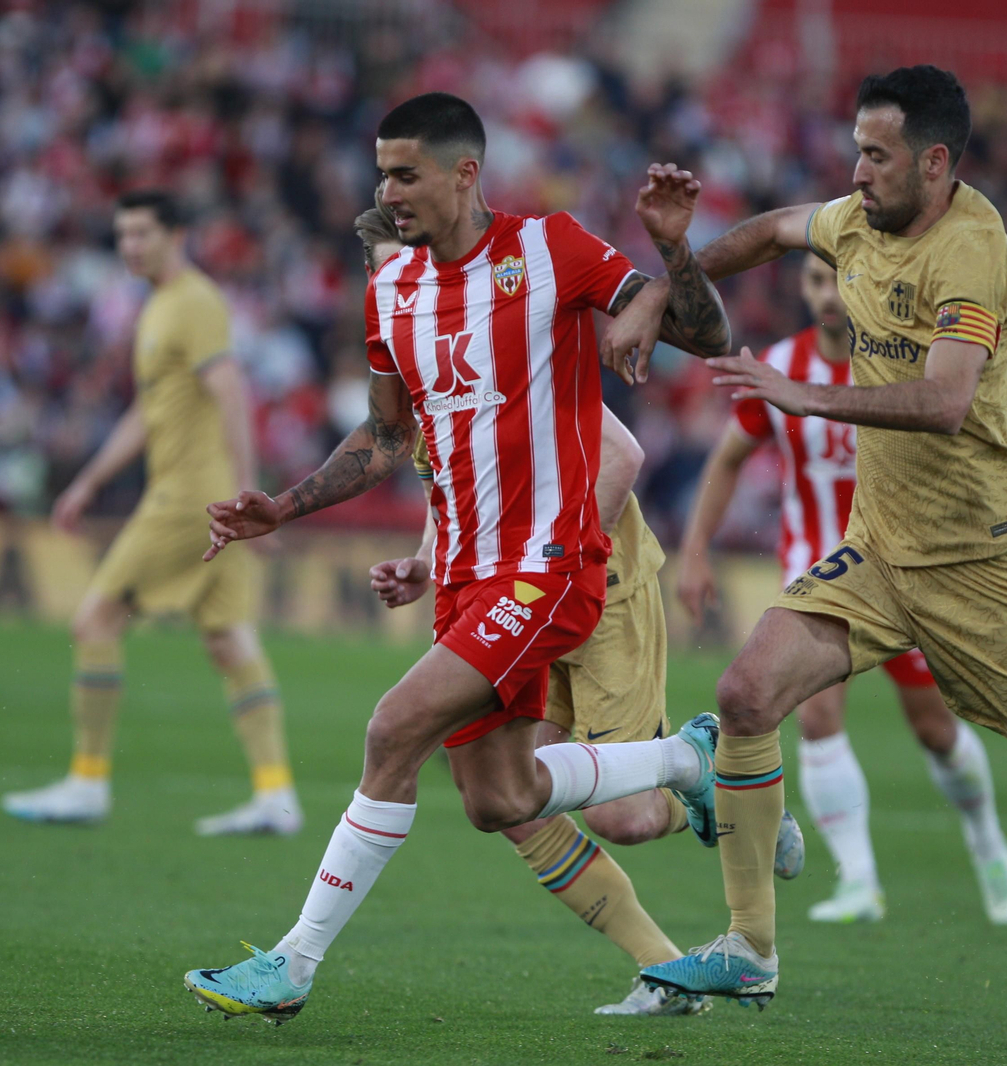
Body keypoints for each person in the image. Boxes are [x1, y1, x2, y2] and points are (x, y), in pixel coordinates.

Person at [606, 66, 1007, 1036]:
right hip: (881, 552)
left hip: (987, 568)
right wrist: (660, 280)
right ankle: (749, 947)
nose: (855, 172)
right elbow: (774, 229)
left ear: (934, 163)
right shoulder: (859, 219)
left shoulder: (974, 250)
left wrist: (809, 395)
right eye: (855, 149)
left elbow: (944, 401)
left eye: (875, 154)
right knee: (742, 694)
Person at [183, 91, 733, 1025]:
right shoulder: (391, 290)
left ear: (464, 172)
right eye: (381, 173)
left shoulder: (548, 250)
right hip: (468, 576)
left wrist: (673, 252)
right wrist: (281, 505)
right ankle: (684, 759)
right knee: (498, 799)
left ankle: (293, 963)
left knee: (393, 728)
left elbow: (706, 336)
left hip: (549, 563)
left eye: (405, 173)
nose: (387, 191)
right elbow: (386, 436)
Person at [352, 201, 803, 1016]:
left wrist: (545, 564)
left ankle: (717, 772)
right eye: (395, 262)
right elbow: (462, 490)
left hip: (590, 589)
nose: (413, 270)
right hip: (507, 596)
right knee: (511, 804)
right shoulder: (422, 361)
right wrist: (426, 561)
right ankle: (665, 971)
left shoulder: (510, 346)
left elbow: (621, 454)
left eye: (417, 251)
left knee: (626, 819)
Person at [678, 251, 1007, 925]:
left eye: (837, 278)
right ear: (802, 291)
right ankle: (859, 881)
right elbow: (727, 458)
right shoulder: (779, 366)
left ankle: (990, 846)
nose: (827, 294)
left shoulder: (910, 364)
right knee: (814, 714)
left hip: (907, 571)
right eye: (813, 280)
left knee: (933, 728)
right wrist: (694, 553)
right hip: (819, 574)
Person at [1, 190, 301, 837]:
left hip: (189, 499)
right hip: (204, 497)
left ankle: (86, 781)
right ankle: (276, 798)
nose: (130, 246)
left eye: (142, 233)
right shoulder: (160, 307)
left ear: (177, 234)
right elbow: (149, 412)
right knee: (228, 640)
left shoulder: (193, 302)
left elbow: (230, 390)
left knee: (96, 619)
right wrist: (88, 481)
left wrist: (250, 488)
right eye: (122, 235)